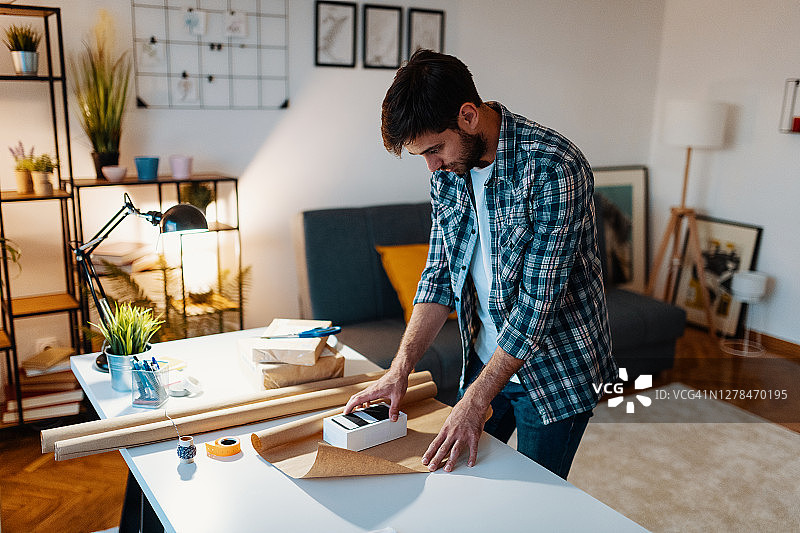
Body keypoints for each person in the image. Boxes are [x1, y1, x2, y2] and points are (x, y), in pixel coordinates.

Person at [344, 49, 617, 479]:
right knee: (463, 480)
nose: (433, 166)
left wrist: (475, 400)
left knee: (532, 498)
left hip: (555, 370)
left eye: (434, 149)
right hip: (485, 361)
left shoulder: (554, 167)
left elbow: (536, 306)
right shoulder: (449, 173)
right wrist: (399, 371)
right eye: (423, 156)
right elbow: (438, 276)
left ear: (469, 116)